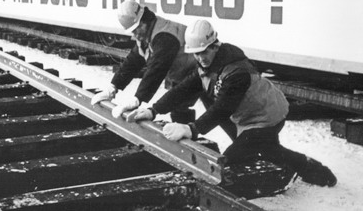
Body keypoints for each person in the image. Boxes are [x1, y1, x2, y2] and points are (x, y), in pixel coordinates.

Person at [135, 19, 337, 188]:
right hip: (249, 116)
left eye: (204, 52)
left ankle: (314, 170)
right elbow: (183, 89)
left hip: (267, 116)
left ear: (215, 45)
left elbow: (222, 109)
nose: (200, 58)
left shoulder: (235, 71)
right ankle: (308, 168)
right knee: (266, 150)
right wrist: (153, 110)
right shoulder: (208, 64)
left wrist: (191, 129)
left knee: (227, 163)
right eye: (196, 53)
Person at [90, 1, 198, 123]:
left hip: (203, 70)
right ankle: (185, 137)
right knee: (179, 107)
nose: (134, 35)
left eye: (135, 30)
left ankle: (188, 136)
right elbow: (134, 60)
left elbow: (157, 70)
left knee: (218, 110)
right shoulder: (146, 34)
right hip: (186, 73)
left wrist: (138, 98)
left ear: (143, 22)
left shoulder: (164, 37)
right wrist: (113, 87)